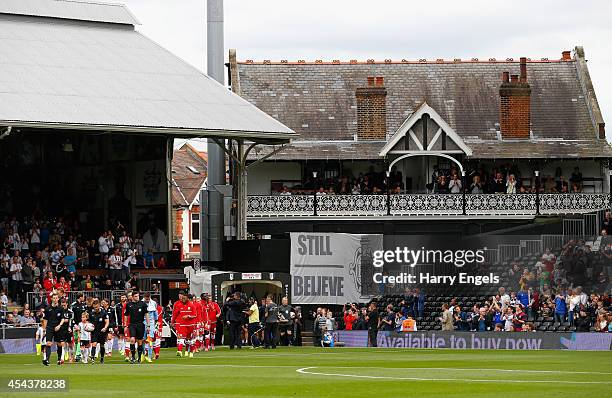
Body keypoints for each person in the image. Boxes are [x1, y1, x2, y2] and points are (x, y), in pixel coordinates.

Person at [41, 294, 69, 366]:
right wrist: (44, 329)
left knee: (59, 344)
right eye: (54, 298)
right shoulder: (47, 309)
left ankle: (59, 359)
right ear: (52, 299)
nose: (55, 299)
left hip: (58, 328)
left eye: (56, 298)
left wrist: (59, 325)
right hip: (50, 328)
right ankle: (47, 359)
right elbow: (45, 320)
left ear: (58, 299)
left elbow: (62, 319)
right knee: (48, 343)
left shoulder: (61, 308)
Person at [124, 291, 149, 363]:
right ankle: (133, 357)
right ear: (132, 297)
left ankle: (139, 357)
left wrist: (148, 325)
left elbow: (146, 314)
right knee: (132, 339)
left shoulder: (143, 304)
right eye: (135, 296)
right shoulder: (129, 305)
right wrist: (125, 325)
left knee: (140, 342)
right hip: (132, 324)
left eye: (138, 296)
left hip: (140, 324)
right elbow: (126, 315)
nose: (137, 297)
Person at [171, 291, 196, 357]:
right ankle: (179, 351)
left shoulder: (192, 305)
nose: (183, 300)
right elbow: (175, 314)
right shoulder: (178, 305)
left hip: (190, 325)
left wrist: (188, 316)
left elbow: (195, 315)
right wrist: (172, 322)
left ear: (187, 298)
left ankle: (190, 352)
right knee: (181, 337)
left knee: (190, 339)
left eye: (184, 298)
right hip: (182, 325)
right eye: (182, 298)